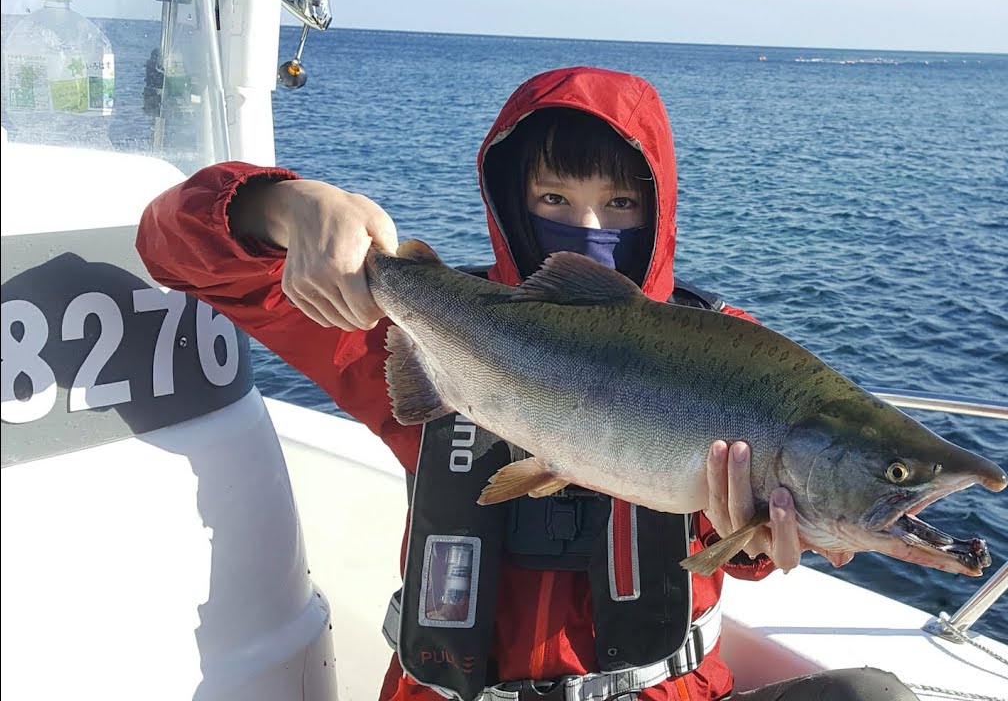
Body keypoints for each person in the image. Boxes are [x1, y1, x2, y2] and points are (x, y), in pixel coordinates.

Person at [137, 66, 916, 701]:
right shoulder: (427, 325)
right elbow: (170, 248)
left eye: (619, 202)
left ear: (658, 207)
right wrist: (282, 205)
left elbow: (739, 541)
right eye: (554, 199)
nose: (589, 227)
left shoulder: (727, 355)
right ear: (512, 200)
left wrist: (758, 542)